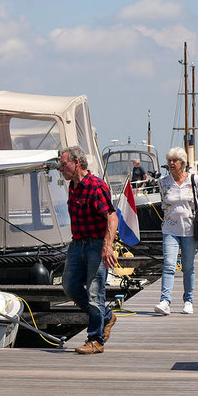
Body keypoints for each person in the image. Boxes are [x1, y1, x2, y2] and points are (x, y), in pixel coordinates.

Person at [59, 146, 118, 354]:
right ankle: (107, 317)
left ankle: (96, 340)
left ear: (77, 163)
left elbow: (112, 216)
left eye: (63, 164)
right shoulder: (73, 186)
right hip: (77, 244)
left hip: (95, 245)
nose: (60, 168)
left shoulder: (95, 186)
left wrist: (107, 246)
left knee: (95, 293)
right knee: (69, 285)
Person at [154, 147, 198, 316]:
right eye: (169, 161)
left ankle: (188, 300)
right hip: (170, 229)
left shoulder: (194, 180)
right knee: (168, 264)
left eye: (175, 160)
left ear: (182, 163)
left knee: (188, 267)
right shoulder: (163, 182)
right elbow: (163, 205)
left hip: (190, 229)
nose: (171, 163)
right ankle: (165, 301)